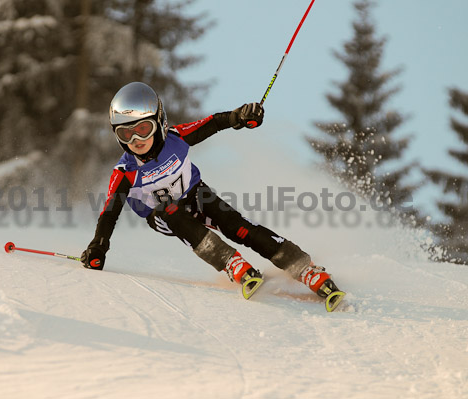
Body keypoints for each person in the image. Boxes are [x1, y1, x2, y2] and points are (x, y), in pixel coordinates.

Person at [81, 81, 341, 300]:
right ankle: (230, 262)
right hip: (163, 216)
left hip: (196, 195)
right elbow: (109, 213)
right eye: (126, 134)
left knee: (238, 225)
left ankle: (303, 267)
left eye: (142, 129)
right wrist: (98, 246)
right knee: (168, 209)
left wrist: (239, 116)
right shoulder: (124, 171)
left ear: (159, 122)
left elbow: (212, 123)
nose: (136, 140)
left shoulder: (176, 138)